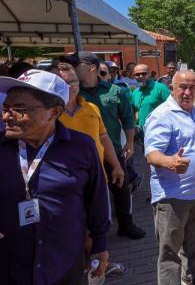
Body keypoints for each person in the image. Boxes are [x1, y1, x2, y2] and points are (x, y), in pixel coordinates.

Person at [0, 69, 110, 284]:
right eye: (6, 108)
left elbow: (96, 199)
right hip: (9, 268)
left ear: (53, 112)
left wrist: (99, 246)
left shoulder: (82, 146)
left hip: (64, 265)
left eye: (19, 109)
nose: (6, 116)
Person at [55, 62, 128, 278]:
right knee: (77, 229)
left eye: (74, 81)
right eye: (64, 83)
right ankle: (86, 269)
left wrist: (116, 166)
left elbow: (103, 138)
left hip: (97, 179)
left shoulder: (90, 107)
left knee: (99, 225)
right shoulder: (51, 114)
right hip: (67, 184)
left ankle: (100, 265)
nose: (71, 87)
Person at [66, 51, 145, 239]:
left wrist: (130, 145)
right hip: (81, 156)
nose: (73, 68)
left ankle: (126, 225)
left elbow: (127, 118)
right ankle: (91, 234)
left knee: (121, 189)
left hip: (112, 151)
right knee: (89, 195)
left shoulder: (114, 91)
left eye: (76, 64)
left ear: (91, 68)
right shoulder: (72, 93)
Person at [144, 70, 195, 285]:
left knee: (194, 242)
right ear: (172, 88)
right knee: (170, 250)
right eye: (182, 87)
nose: (187, 92)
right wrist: (169, 162)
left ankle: (192, 278)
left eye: (192, 87)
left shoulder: (193, 111)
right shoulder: (162, 114)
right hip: (173, 195)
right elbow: (151, 153)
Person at [131, 63, 171, 138]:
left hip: (160, 134)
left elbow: (174, 106)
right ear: (134, 76)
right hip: (143, 135)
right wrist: (134, 125)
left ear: (149, 74)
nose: (140, 76)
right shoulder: (136, 92)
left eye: (144, 74)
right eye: (137, 74)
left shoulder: (161, 88)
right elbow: (133, 111)